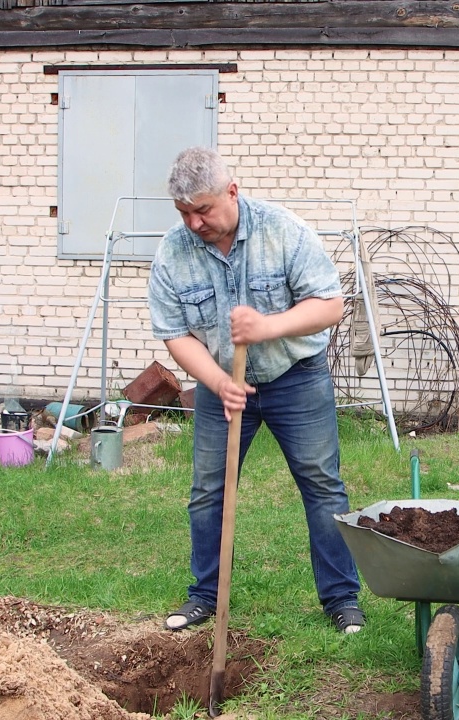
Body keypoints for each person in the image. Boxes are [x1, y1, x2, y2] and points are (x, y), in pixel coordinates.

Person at [147, 147, 366, 634]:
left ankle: (342, 600)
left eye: (203, 210)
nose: (195, 223)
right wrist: (219, 382)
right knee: (208, 490)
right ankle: (204, 595)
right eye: (185, 213)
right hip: (222, 385)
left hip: (296, 377)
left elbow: (330, 304)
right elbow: (176, 333)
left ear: (232, 191)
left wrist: (267, 326)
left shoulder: (281, 230)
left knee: (322, 486)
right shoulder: (173, 251)